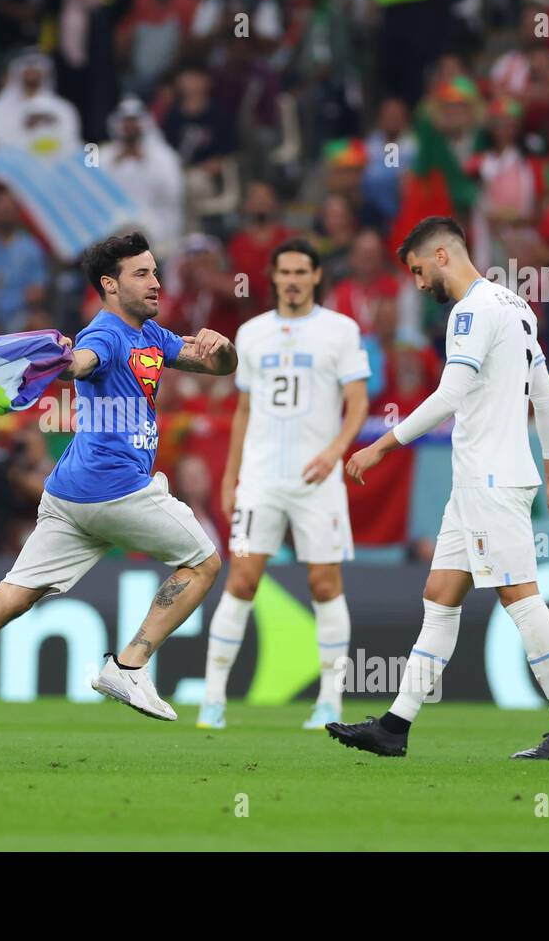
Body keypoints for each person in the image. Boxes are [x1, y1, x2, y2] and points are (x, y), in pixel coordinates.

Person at [0, 232, 236, 756]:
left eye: (154, 271)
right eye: (141, 274)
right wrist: (64, 361)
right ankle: (129, 666)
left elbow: (213, 364)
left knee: (16, 592)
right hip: (115, 490)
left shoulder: (151, 336)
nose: (155, 282)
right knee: (206, 561)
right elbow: (84, 362)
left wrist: (221, 347)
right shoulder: (105, 335)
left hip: (69, 493)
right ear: (109, 285)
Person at [334, 216, 549, 760]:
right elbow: (542, 396)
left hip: (489, 481)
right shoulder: (516, 307)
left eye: (416, 270)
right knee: (440, 597)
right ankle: (395, 727)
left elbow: (450, 394)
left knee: (519, 595)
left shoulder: (470, 311)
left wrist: (381, 445)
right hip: (484, 483)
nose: (417, 283)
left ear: (442, 256)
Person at [198, 239, 370, 731]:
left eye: (301, 271)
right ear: (273, 278)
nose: (292, 279)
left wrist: (336, 450)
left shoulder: (341, 331)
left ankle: (330, 702)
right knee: (243, 579)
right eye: (284, 272)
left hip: (319, 480)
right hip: (262, 478)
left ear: (316, 276)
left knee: (324, 583)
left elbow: (357, 401)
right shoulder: (251, 335)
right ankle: (213, 701)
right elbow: (244, 409)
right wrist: (231, 476)